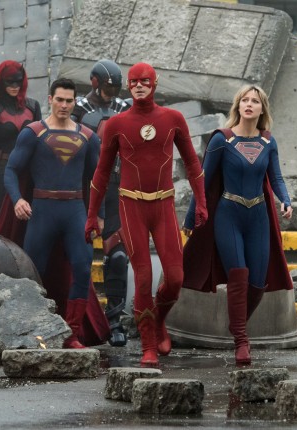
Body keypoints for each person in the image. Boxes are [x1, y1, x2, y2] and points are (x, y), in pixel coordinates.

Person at [85, 62, 208, 367]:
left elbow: (193, 163)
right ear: (128, 85)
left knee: (176, 278)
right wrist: (92, 215)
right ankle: (148, 345)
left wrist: (202, 202)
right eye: (134, 82)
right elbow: (101, 173)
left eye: (145, 81)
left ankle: (159, 319)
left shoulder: (173, 118)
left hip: (164, 204)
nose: (139, 86)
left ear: (155, 83)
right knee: (143, 278)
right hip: (131, 206)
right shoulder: (116, 123)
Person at [182, 84, 293, 366]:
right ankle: (241, 341)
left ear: (262, 108)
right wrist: (191, 218)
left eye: (255, 100)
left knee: (258, 281)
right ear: (238, 106)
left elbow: (276, 177)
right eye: (245, 100)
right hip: (228, 215)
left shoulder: (268, 142)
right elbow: (203, 181)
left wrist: (286, 200)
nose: (249, 104)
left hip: (258, 216)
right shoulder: (223, 139)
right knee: (238, 275)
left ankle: (237, 323)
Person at [4, 78, 103, 349]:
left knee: (82, 268)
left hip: (75, 210)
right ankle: (33, 331)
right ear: (50, 99)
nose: (64, 105)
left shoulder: (88, 137)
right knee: (33, 273)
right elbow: (11, 170)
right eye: (59, 99)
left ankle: (72, 334)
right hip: (42, 211)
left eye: (69, 101)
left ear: (75, 102)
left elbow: (98, 179)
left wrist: (99, 215)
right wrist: (17, 199)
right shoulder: (33, 132)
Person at [71, 59, 131, 347]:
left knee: (118, 257)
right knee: (78, 259)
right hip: (83, 189)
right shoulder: (77, 109)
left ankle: (115, 320)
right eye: (107, 89)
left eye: (115, 89)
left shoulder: (123, 108)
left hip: (116, 189)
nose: (111, 94)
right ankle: (76, 321)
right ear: (95, 83)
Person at [0, 60, 42, 231]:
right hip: (0, 170)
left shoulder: (32, 106)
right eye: (10, 82)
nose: (14, 86)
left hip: (27, 172)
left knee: (27, 225)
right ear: (1, 82)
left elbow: (40, 142)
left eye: (18, 82)